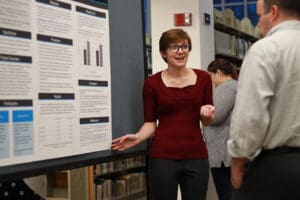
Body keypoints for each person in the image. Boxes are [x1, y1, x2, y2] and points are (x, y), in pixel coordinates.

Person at [111, 28, 215, 200]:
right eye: (174, 47)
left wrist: (207, 115)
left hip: (196, 156)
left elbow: (207, 121)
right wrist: (137, 138)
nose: (180, 51)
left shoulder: (204, 78)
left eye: (184, 46)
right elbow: (150, 123)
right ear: (163, 53)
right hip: (162, 158)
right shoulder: (151, 84)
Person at [227, 0, 300, 199]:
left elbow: (251, 117)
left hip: (278, 170)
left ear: (274, 12)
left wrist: (237, 160)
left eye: (259, 16)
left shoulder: (265, 50)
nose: (258, 23)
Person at [203, 58, 238, 200]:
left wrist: (200, 112)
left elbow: (215, 116)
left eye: (211, 76)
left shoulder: (227, 87)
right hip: (229, 150)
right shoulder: (237, 86)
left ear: (218, 72)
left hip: (222, 152)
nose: (211, 81)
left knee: (226, 193)